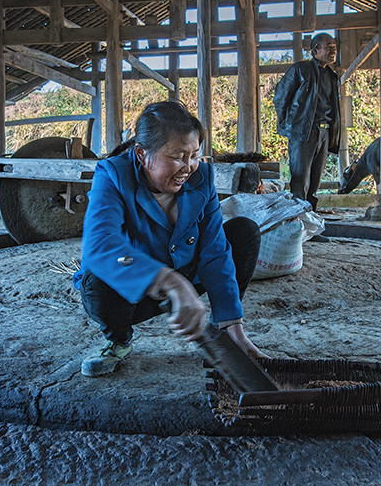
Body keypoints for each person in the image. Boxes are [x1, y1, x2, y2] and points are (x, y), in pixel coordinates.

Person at [73, 101, 264, 377]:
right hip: (136, 288)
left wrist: (232, 328)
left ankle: (226, 335)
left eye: (194, 155)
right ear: (141, 153)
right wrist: (169, 281)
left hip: (187, 274)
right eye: (178, 156)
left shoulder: (202, 178)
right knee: (95, 280)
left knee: (243, 233)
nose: (188, 167)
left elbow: (215, 251)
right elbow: (99, 245)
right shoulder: (112, 175)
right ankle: (119, 341)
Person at [273, 32, 340, 211]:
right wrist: (290, 124)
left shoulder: (332, 76)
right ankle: (298, 221)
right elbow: (280, 98)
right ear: (315, 50)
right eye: (329, 47)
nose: (333, 50)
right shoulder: (300, 70)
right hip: (303, 131)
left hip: (324, 131)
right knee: (300, 178)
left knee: (315, 180)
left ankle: (311, 221)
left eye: (334, 47)